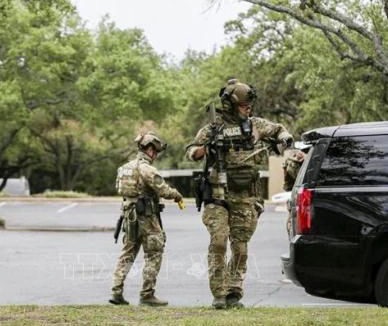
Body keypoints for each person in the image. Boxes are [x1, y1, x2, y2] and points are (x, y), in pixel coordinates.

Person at [186, 79, 293, 309]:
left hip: (245, 194)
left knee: (240, 246)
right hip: (217, 194)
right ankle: (219, 293)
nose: (249, 109)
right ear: (232, 105)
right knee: (218, 241)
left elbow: (279, 130)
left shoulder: (254, 124)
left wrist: (284, 140)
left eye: (249, 105)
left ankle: (234, 289)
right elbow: (191, 151)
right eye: (245, 105)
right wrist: (205, 148)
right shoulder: (213, 128)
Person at [110, 131, 183, 306]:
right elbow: (163, 189)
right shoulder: (146, 168)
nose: (156, 155)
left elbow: (119, 189)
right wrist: (177, 195)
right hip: (146, 217)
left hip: (129, 217)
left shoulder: (124, 168)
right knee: (154, 253)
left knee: (127, 253)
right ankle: (147, 294)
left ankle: (116, 291)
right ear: (149, 149)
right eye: (155, 151)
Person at [283, 144, 310, 237]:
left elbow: (287, 185)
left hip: (298, 194)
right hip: (302, 195)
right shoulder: (292, 162)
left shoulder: (290, 162)